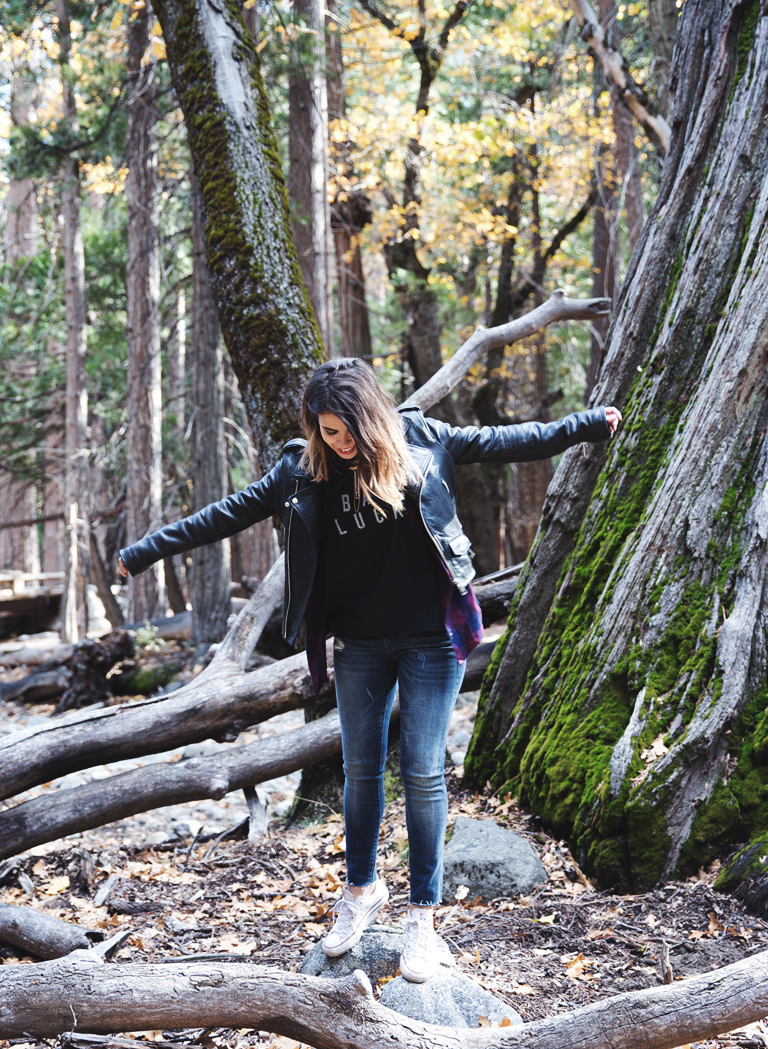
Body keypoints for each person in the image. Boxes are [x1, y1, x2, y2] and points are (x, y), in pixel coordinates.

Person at [119, 357, 621, 983]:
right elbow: (223, 514)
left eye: (347, 429)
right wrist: (140, 553)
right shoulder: (304, 473)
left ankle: (422, 919)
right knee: (360, 772)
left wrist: (587, 425)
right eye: (327, 430)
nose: (339, 442)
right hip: (358, 645)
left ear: (373, 415)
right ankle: (361, 893)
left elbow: (510, 441)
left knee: (424, 772)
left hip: (431, 640)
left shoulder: (424, 443)